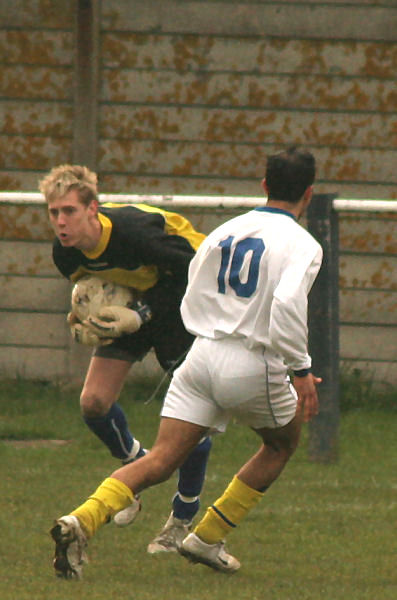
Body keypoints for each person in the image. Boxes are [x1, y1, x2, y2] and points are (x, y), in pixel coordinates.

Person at [49, 146, 323, 579]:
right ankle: (207, 536)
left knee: (159, 460)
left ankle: (81, 520)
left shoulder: (225, 231)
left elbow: (195, 285)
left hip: (201, 355)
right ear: (309, 194)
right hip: (252, 361)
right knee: (280, 444)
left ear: (264, 186)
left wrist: (189, 328)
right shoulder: (304, 243)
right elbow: (288, 305)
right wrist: (302, 371)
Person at [39, 164, 212, 553]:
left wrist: (142, 314)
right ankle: (133, 474)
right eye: (54, 212)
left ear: (93, 209)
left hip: (181, 305)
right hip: (134, 307)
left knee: (191, 423)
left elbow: (195, 273)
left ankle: (181, 520)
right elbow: (93, 287)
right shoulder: (64, 253)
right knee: (94, 403)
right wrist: (84, 314)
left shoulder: (134, 233)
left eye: (69, 211)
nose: (61, 222)